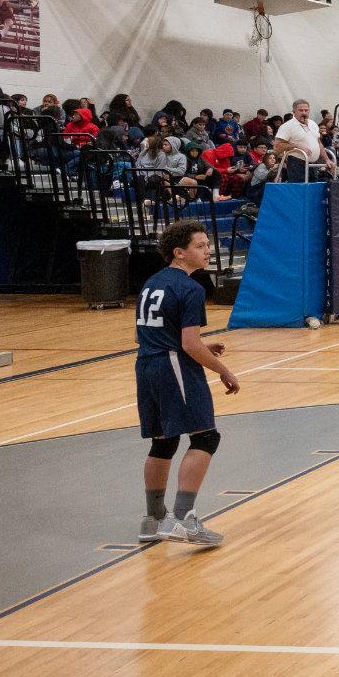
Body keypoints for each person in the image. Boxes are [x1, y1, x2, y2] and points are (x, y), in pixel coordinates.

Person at [134, 219, 240, 547]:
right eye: (200, 246)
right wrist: (222, 369)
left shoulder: (152, 281)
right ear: (179, 253)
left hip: (148, 365)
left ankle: (153, 520)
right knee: (206, 436)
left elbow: (142, 334)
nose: (208, 250)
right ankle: (183, 520)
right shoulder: (190, 288)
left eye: (208, 245)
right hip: (173, 366)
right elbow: (190, 345)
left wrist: (195, 347)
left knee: (163, 441)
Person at [273, 98, 326, 182]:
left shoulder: (313, 123)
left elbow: (319, 142)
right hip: (296, 162)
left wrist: (327, 159)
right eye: (301, 110)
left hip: (312, 163)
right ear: (294, 112)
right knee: (298, 188)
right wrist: (297, 146)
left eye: (306, 110)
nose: (304, 113)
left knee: (313, 188)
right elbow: (277, 146)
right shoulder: (287, 126)